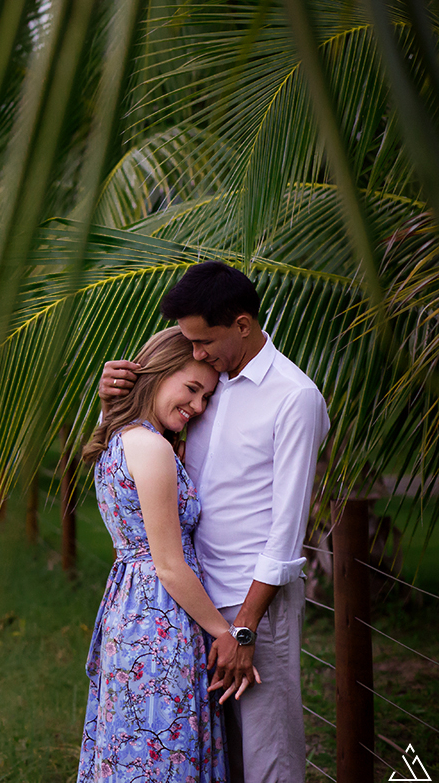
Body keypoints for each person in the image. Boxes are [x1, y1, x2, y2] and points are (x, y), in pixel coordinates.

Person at [99, 261, 330, 783]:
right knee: (205, 756)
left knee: (266, 757)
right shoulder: (210, 381)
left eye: (204, 341)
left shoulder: (294, 398)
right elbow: (142, 453)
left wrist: (243, 629)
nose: (196, 353)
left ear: (242, 325)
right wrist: (112, 399)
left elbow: (286, 536)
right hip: (189, 603)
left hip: (251, 609)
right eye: (189, 345)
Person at [78, 327, 237, 782]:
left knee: (138, 745)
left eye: (206, 396)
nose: (198, 406)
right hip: (159, 618)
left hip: (133, 610)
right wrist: (225, 633)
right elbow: (168, 564)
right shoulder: (150, 447)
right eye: (191, 388)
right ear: (158, 372)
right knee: (161, 748)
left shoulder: (124, 435)